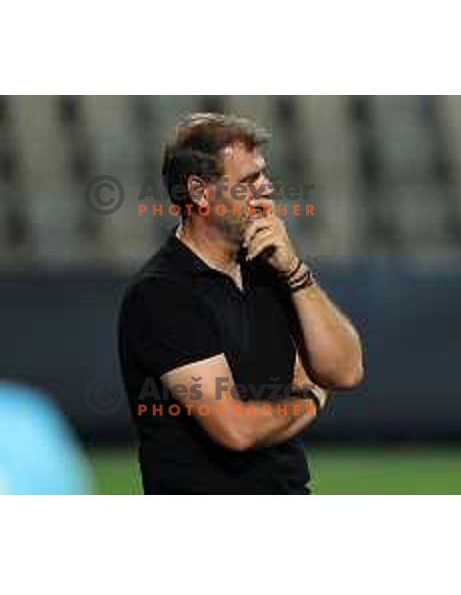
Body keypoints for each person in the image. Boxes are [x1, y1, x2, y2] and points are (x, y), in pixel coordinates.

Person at [118, 113, 363, 494]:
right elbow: (237, 429)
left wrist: (295, 270)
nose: (267, 188)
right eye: (248, 181)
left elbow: (345, 371)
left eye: (263, 174)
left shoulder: (269, 266)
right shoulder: (162, 294)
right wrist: (311, 397)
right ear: (199, 192)